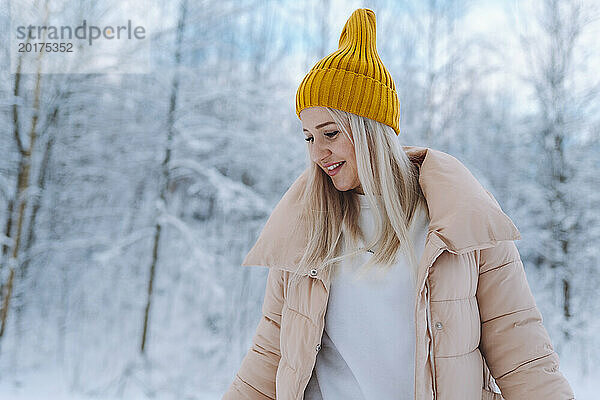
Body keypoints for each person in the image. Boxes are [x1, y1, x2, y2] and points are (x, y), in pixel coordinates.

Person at [222, 8, 574, 400]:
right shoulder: (306, 225)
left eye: (330, 133)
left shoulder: (460, 216)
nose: (318, 152)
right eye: (308, 137)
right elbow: (269, 355)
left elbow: (521, 352)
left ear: (370, 131)